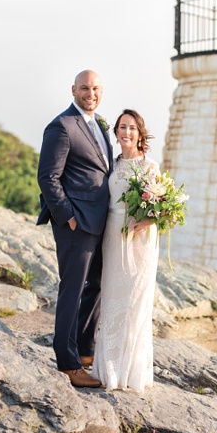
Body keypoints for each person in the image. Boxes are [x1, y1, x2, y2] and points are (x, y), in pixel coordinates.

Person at [36, 70, 113, 389]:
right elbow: (48, 177)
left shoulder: (100, 125)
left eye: (95, 88)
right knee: (72, 290)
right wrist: (68, 216)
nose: (90, 93)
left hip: (101, 220)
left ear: (101, 91)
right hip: (76, 223)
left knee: (95, 286)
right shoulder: (62, 126)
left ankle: (84, 353)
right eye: (84, 88)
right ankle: (67, 363)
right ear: (73, 90)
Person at [94, 110, 159, 392]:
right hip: (112, 234)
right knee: (111, 298)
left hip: (139, 241)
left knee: (134, 302)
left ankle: (131, 371)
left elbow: (160, 211)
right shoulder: (112, 163)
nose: (127, 132)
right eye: (122, 127)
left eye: (132, 128)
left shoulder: (150, 166)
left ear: (140, 133)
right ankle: (108, 367)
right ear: (116, 132)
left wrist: (141, 222)